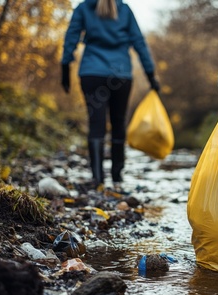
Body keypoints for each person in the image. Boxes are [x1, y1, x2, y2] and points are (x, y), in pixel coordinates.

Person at [61, 0, 160, 189]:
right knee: (118, 123)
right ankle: (117, 179)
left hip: (92, 73)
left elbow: (71, 37)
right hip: (120, 75)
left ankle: (98, 180)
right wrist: (151, 75)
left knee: (96, 125)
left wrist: (65, 67)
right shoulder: (124, 10)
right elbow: (139, 42)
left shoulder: (84, 8)